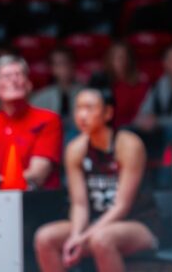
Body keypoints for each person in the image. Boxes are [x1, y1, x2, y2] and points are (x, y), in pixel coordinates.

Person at [35, 88, 160, 272]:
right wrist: (77, 235)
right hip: (93, 224)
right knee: (45, 237)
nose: (82, 115)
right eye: (78, 108)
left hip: (139, 224)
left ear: (108, 113)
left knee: (101, 239)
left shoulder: (129, 145)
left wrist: (84, 237)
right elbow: (79, 205)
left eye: (89, 108)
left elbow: (122, 206)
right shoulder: (75, 149)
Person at [0, 55, 63, 190]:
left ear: (28, 85)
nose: (14, 80)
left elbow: (37, 175)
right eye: (6, 76)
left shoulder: (48, 120)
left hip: (36, 202)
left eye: (18, 74)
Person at [30, 46, 86, 139]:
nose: (62, 68)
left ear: (73, 64)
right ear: (52, 68)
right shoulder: (41, 98)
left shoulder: (86, 93)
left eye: (65, 63)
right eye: (57, 64)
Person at [90, 42, 148, 128]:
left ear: (130, 59)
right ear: (109, 59)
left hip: (132, 129)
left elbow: (141, 115)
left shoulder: (140, 83)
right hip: (104, 128)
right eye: (116, 57)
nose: (120, 60)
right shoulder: (100, 81)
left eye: (124, 56)